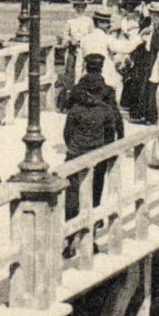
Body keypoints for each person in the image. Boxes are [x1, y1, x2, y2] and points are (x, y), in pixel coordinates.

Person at [63, 54, 124, 220]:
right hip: (99, 145)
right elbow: (115, 117)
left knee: (73, 185)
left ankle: (72, 217)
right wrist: (119, 139)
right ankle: (94, 216)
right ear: (101, 68)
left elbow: (68, 126)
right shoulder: (108, 91)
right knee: (97, 182)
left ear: (86, 67)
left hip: (76, 147)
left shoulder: (76, 90)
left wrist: (72, 143)